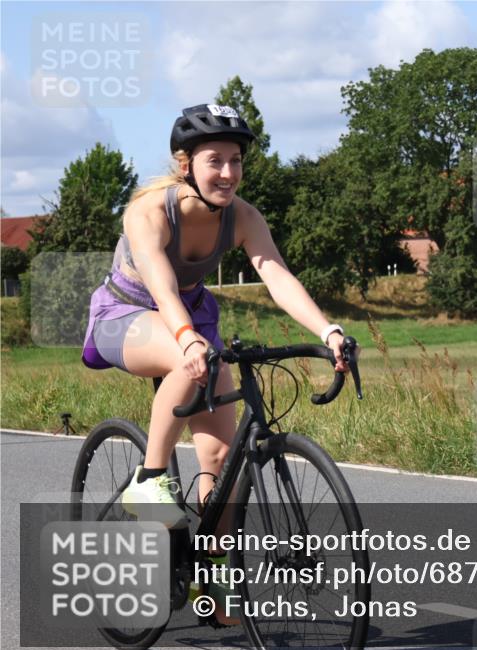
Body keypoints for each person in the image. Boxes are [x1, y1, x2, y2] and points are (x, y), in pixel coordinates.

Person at [81, 104, 350, 621]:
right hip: (128, 314)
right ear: (185, 164)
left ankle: (213, 568)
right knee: (188, 359)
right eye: (215, 161)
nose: (228, 173)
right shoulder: (148, 212)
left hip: (192, 317)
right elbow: (161, 285)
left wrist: (328, 331)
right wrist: (186, 340)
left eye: (236, 161)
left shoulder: (243, 217)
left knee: (222, 456)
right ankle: (150, 480)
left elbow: (276, 274)